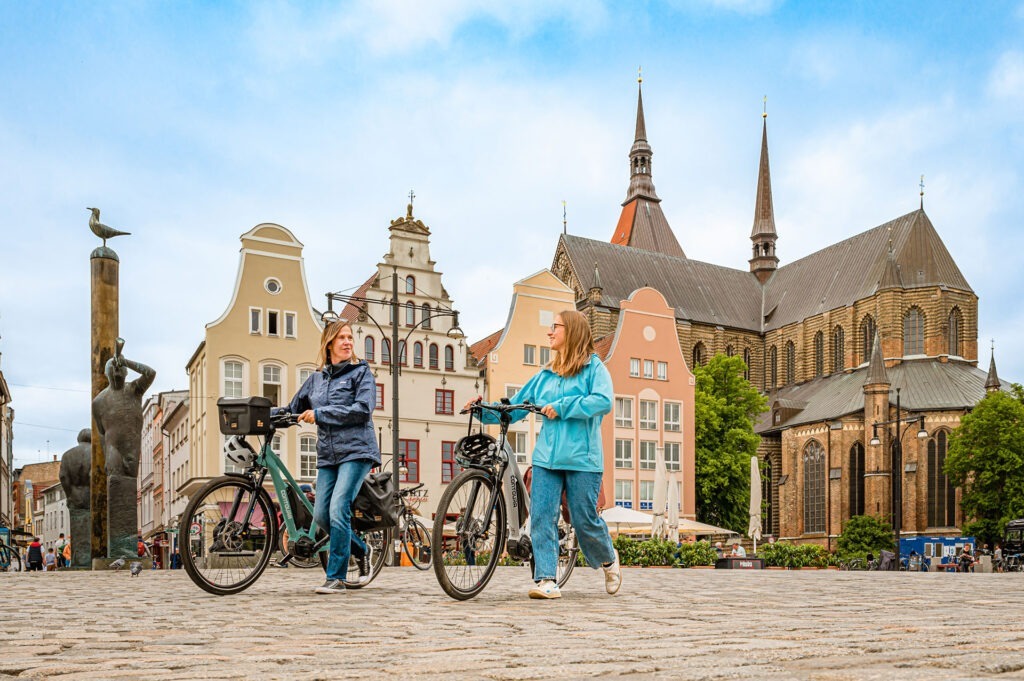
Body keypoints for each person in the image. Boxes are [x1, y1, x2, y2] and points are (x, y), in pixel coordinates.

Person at [467, 310, 620, 600]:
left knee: (584, 519)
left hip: (582, 460)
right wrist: (482, 409)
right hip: (547, 458)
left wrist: (563, 406)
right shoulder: (545, 376)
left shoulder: (593, 369)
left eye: (555, 327)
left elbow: (603, 401)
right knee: (540, 517)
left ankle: (609, 560)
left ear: (572, 331)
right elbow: (514, 408)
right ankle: (547, 579)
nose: (550, 332)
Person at [278, 317, 380, 595]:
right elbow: (291, 408)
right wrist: (260, 415)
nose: (347, 342)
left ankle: (336, 576)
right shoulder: (316, 380)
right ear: (329, 344)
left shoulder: (361, 373)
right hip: (328, 455)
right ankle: (361, 548)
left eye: (350, 338)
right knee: (322, 515)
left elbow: (362, 409)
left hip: (358, 450)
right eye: (342, 338)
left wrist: (321, 414)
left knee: (338, 508)